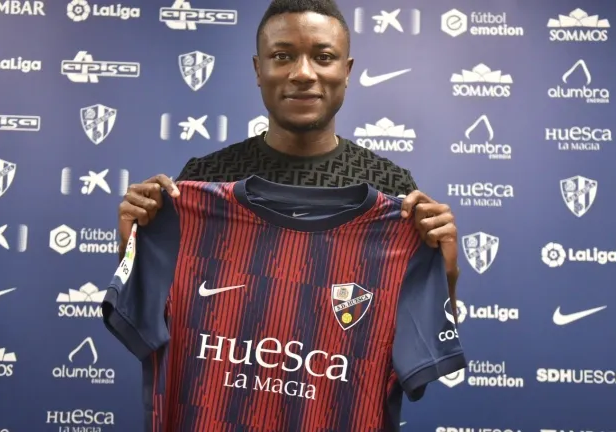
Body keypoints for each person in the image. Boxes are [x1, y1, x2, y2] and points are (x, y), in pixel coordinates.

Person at [117, 0, 460, 316]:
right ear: (258, 69)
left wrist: (446, 273)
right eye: (283, 56)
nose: (303, 73)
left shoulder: (392, 188)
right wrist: (131, 246)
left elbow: (423, 334)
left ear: (347, 71)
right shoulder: (204, 179)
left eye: (323, 57)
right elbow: (160, 319)